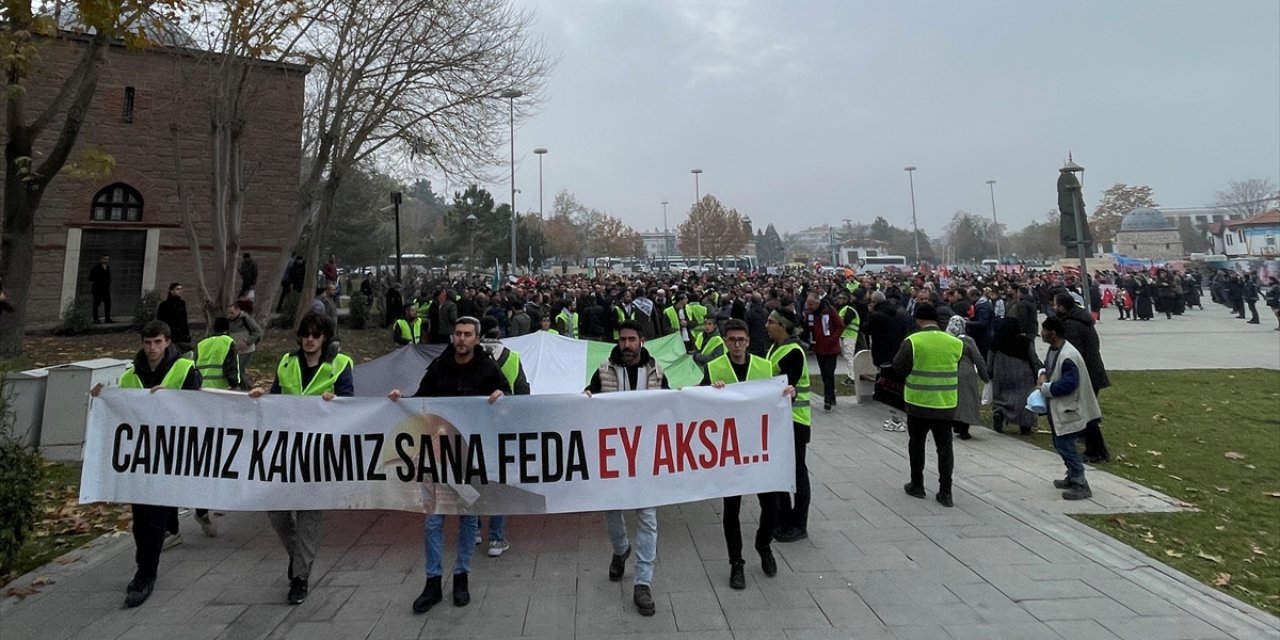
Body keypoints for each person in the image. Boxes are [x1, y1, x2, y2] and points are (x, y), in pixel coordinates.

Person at [390, 317, 509, 615]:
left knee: (468, 519)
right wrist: (399, 401)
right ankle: (432, 581)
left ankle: (461, 576)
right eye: (458, 333)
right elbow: (420, 402)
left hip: (471, 458)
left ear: (477, 339)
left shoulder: (488, 369)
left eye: (468, 334)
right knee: (433, 520)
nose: (462, 339)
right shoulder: (439, 367)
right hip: (437, 455)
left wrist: (502, 397)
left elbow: (510, 404)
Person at [89, 320, 202, 607]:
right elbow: (121, 409)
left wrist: (170, 401)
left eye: (158, 342)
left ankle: (144, 575)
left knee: (153, 518)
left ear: (167, 342)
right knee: (141, 521)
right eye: (148, 342)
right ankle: (147, 563)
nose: (152, 348)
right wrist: (103, 397)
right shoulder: (131, 375)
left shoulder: (185, 370)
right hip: (140, 459)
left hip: (170, 457)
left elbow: (199, 410)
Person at [248, 312, 354, 605]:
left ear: (325, 338)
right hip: (286, 451)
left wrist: (338, 403)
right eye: (305, 334)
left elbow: (352, 407)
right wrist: (262, 398)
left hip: (320, 454)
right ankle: (299, 561)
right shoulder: (286, 362)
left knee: (308, 519)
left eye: (315, 335)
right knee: (277, 514)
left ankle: (300, 579)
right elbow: (276, 399)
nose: (309, 339)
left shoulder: (340, 365)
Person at [585, 320, 668, 616]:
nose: (627, 346)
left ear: (642, 341)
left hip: (646, 456)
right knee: (611, 511)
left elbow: (673, 407)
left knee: (647, 517)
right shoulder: (604, 370)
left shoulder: (656, 372)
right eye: (622, 340)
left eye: (632, 340)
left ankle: (643, 583)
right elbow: (587, 400)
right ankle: (621, 549)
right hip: (613, 456)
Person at [701, 319, 785, 590]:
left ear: (748, 341)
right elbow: (698, 404)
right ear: (725, 342)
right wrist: (709, 393)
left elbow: (779, 395)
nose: (737, 345)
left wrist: (789, 393)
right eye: (732, 340)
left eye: (741, 339)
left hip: (760, 449)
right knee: (731, 510)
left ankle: (763, 543)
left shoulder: (765, 366)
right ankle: (736, 563)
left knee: (772, 506)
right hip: (730, 451)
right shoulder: (714, 368)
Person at [893, 304, 963, 508]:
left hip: (919, 402)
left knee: (916, 444)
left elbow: (898, 368)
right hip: (946, 403)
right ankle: (946, 491)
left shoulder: (913, 341)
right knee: (945, 448)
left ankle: (917, 484)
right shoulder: (955, 343)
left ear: (919, 320)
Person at [479, 316, 530, 558]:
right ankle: (496, 538)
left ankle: (475, 528)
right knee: (501, 481)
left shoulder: (468, 356)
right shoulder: (513, 357)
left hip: (474, 425)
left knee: (475, 479)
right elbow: (523, 393)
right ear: (498, 332)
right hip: (504, 426)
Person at [1038, 316, 1102, 501]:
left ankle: (1080, 482)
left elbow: (1069, 384)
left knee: (1065, 444)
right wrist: (1043, 373)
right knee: (1061, 443)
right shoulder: (1055, 349)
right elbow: (1048, 367)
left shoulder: (1068, 356)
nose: (1041, 334)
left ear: (1053, 333)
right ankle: (1072, 476)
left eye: (1044, 330)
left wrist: (1045, 388)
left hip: (1070, 408)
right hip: (1060, 408)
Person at [765, 308, 813, 542]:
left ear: (783, 326)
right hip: (780, 422)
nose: (766, 325)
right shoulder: (776, 348)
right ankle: (783, 519)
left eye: (770, 322)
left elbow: (785, 391)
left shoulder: (793, 352)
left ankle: (798, 524)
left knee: (797, 473)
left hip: (795, 421)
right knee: (780, 472)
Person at [1053, 293, 1111, 463]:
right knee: (1087, 413)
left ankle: (1096, 451)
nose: (1054, 308)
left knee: (1085, 414)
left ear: (1062, 306)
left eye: (1056, 305)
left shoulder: (1071, 325)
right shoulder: (1082, 320)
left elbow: (1072, 353)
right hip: (1091, 371)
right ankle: (1098, 450)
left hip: (1085, 374)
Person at [986, 321, 1042, 435]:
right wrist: (1039, 373)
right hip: (1022, 375)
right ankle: (1025, 426)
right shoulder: (1024, 341)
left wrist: (990, 373)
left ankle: (999, 413)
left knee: (1000, 398)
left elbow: (990, 360)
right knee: (1023, 400)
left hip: (1001, 374)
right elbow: (1033, 359)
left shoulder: (996, 341)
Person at [944, 316, 989, 441]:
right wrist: (984, 376)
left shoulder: (945, 339)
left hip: (948, 370)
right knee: (965, 400)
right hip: (965, 371)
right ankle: (964, 428)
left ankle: (954, 424)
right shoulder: (967, 341)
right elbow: (978, 359)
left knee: (951, 399)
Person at [803, 292, 844, 412]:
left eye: (811, 304)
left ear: (817, 302)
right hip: (819, 348)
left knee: (829, 373)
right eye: (808, 304)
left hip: (831, 348)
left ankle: (827, 400)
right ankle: (831, 396)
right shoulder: (810, 313)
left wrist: (832, 338)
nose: (809, 307)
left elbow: (840, 326)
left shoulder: (829, 310)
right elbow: (807, 328)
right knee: (824, 374)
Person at [227, 302, 263, 391]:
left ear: (238, 310)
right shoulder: (230, 321)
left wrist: (247, 342)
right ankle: (244, 387)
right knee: (238, 369)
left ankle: (246, 389)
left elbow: (257, 331)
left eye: (232, 313)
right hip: (237, 349)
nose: (230, 315)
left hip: (247, 349)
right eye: (229, 313)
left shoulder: (246, 319)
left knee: (240, 369)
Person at [155, 282, 191, 349]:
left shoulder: (182, 304)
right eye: (177, 289)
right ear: (171, 291)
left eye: (181, 289)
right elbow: (160, 321)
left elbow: (184, 319)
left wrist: (187, 334)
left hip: (180, 334)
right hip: (169, 333)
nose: (180, 291)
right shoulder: (164, 305)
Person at [836, 292, 861, 386]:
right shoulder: (843, 309)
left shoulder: (849, 309)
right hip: (845, 335)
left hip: (850, 336)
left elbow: (844, 322)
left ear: (846, 299)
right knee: (847, 357)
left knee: (849, 357)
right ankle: (850, 376)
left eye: (841, 298)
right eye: (839, 298)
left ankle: (853, 378)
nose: (839, 300)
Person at [89, 255, 113, 323]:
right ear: (101, 259)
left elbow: (109, 277)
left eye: (107, 259)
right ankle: (95, 319)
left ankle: (107, 318)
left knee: (108, 303)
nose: (106, 261)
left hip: (106, 289)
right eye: (105, 259)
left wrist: (109, 281)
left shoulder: (108, 268)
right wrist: (99, 279)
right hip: (97, 289)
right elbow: (91, 278)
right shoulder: (96, 268)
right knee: (96, 304)